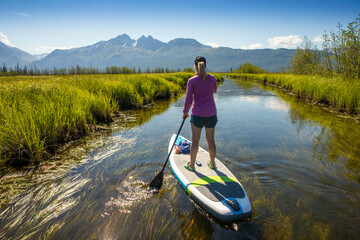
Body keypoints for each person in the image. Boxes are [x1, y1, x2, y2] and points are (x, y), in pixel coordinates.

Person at [182, 56, 218, 171]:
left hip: (197, 114)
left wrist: (185, 112)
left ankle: (192, 165)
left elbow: (188, 99)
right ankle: (212, 163)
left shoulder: (191, 80)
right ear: (205, 66)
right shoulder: (212, 78)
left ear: (195, 66)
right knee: (211, 140)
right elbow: (214, 90)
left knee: (195, 140)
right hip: (211, 114)